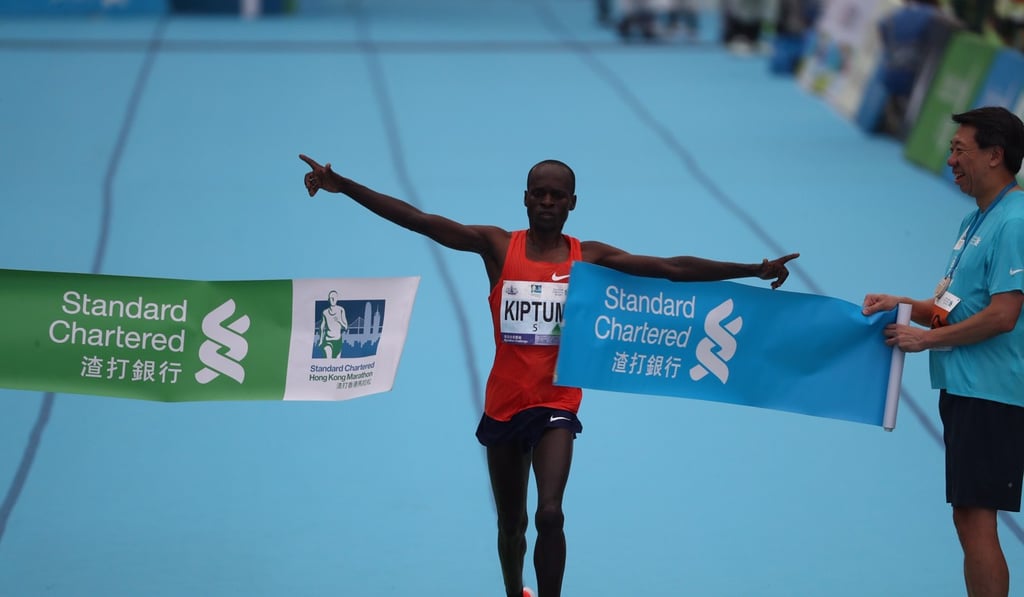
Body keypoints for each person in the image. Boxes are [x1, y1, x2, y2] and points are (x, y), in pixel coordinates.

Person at [299, 153, 799, 597]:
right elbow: (420, 221)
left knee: (549, 514)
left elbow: (669, 267)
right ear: (524, 198)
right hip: (502, 405)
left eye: (556, 195)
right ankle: (514, 590)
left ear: (572, 204)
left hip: (557, 404)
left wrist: (752, 269)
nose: (546, 202)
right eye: (538, 193)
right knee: (512, 526)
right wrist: (346, 186)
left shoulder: (590, 256)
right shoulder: (497, 247)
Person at [862, 106, 1024, 597]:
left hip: (993, 394)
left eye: (959, 150)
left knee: (975, 521)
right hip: (965, 389)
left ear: (995, 155)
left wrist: (925, 339)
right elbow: (953, 307)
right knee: (969, 519)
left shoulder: (1014, 223)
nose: (950, 160)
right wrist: (905, 306)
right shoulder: (974, 222)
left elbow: (1003, 316)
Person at [318, 289, 348, 359]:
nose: (333, 299)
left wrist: (339, 321)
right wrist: (321, 340)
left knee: (337, 363)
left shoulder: (341, 310)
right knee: (328, 360)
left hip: (338, 341)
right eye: (331, 298)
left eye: (334, 298)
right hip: (328, 340)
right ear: (328, 299)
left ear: (337, 299)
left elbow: (346, 327)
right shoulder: (325, 312)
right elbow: (322, 327)